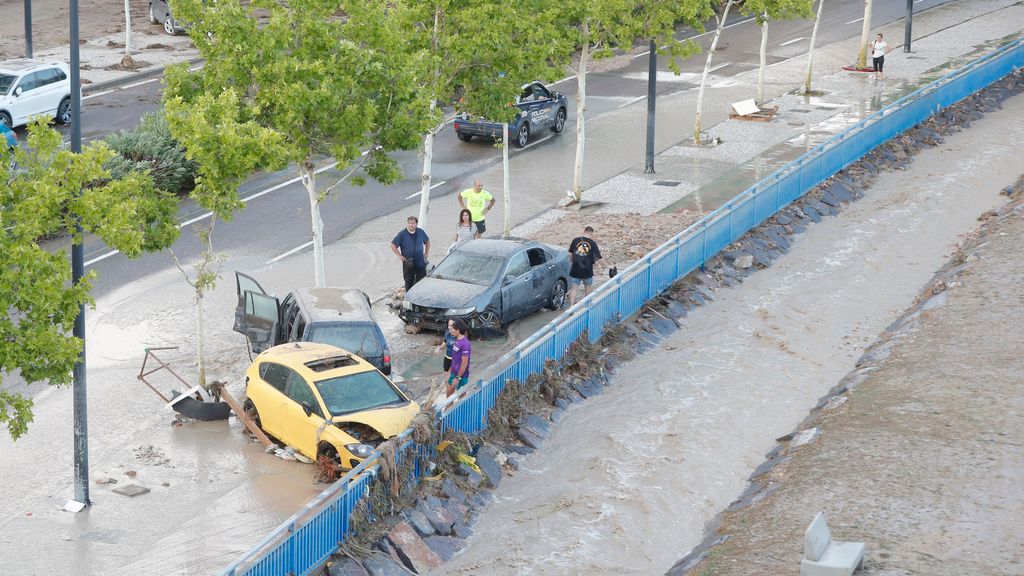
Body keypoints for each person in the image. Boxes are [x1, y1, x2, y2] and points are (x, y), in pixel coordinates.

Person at [390, 216, 430, 292]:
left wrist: (426, 252)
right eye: (409, 223)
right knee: (409, 281)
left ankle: (420, 296)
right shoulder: (402, 234)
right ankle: (409, 299)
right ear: (407, 224)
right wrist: (400, 256)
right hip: (408, 262)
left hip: (420, 261)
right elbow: (393, 245)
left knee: (422, 281)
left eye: (413, 223)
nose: (411, 225)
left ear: (416, 224)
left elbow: (427, 241)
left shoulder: (420, 232)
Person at [567, 226, 603, 306]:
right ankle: (587, 305)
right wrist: (607, 266)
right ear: (591, 233)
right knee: (588, 286)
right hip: (587, 268)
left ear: (584, 231)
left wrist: (573, 261)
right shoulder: (593, 243)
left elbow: (570, 254)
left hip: (576, 267)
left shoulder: (575, 240)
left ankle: (571, 307)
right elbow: (599, 258)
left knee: (574, 288)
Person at [446, 319, 471, 397]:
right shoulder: (457, 340)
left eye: (453, 329)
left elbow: (464, 363)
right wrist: (450, 369)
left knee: (461, 395)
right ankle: (448, 408)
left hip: (462, 375)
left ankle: (461, 408)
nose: (451, 330)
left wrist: (458, 377)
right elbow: (455, 358)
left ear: (458, 330)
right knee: (449, 392)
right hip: (453, 372)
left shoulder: (465, 344)